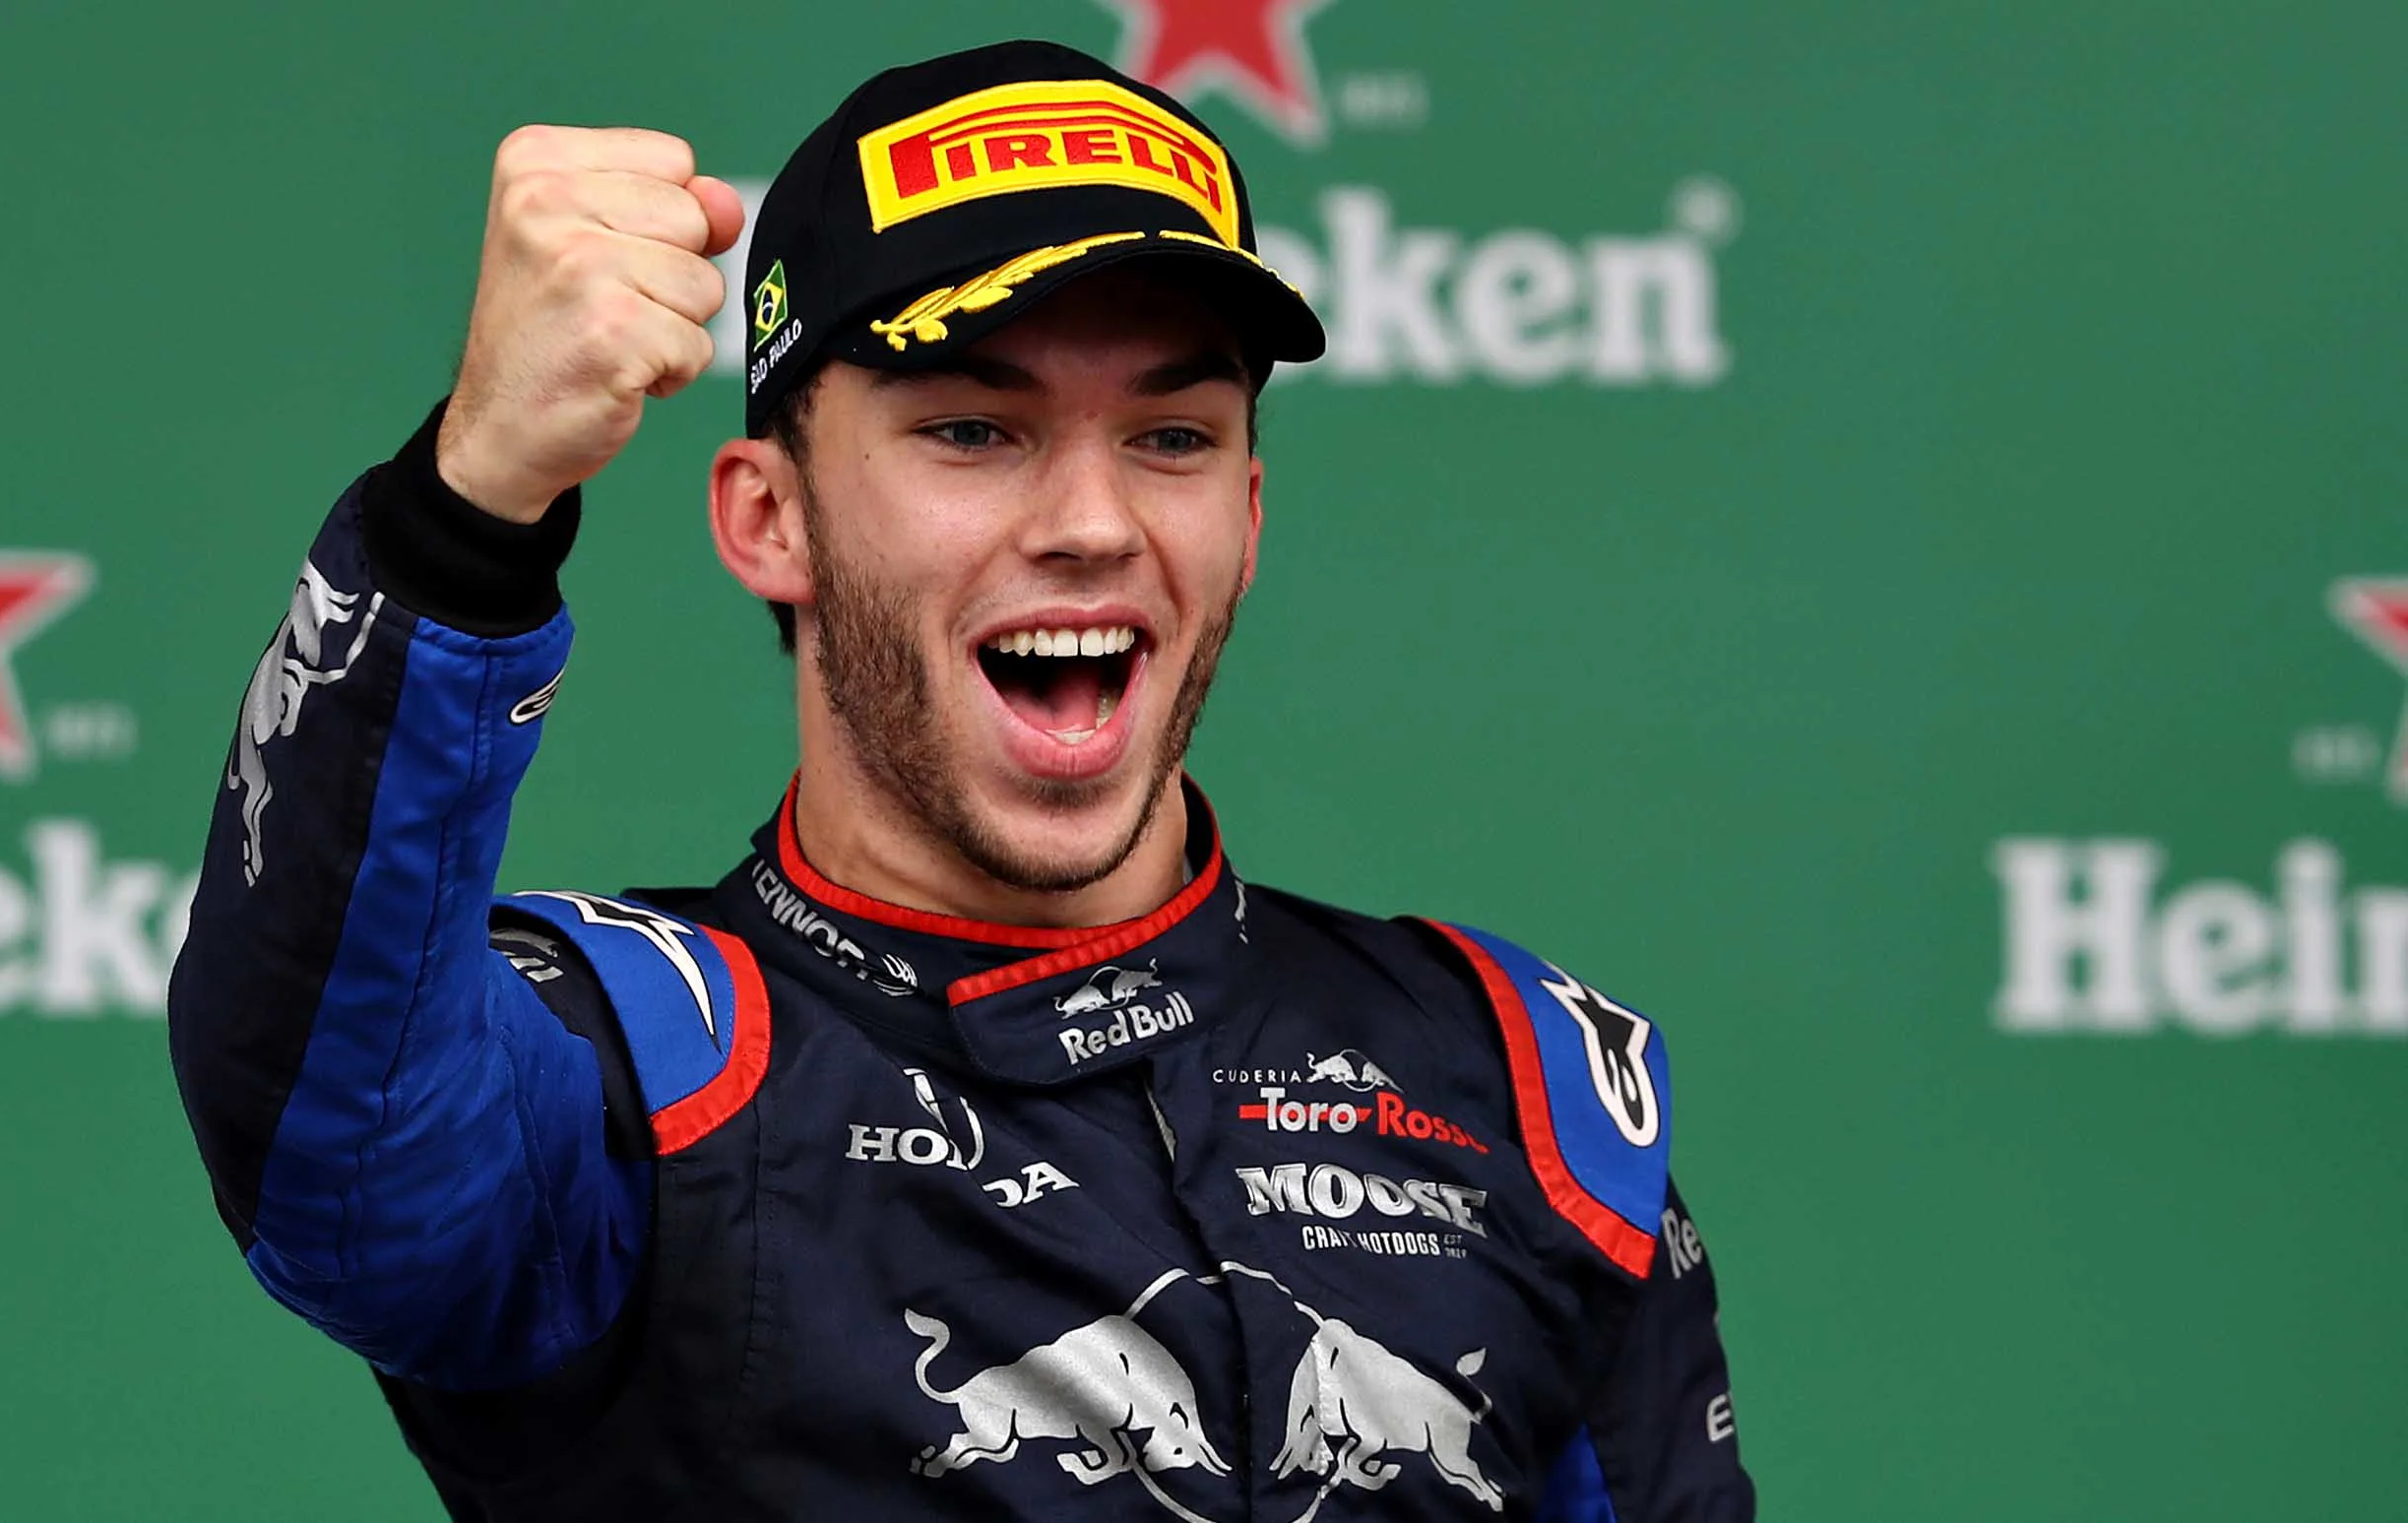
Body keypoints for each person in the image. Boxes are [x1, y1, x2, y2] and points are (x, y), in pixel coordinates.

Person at [168, 37, 1755, 1522]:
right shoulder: (634, 1077)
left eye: (1173, 437)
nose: (1091, 520)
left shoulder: (1526, 1088)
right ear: (767, 518)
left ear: (1252, 518)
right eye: (975, 429)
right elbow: (333, 1139)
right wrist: (472, 510)